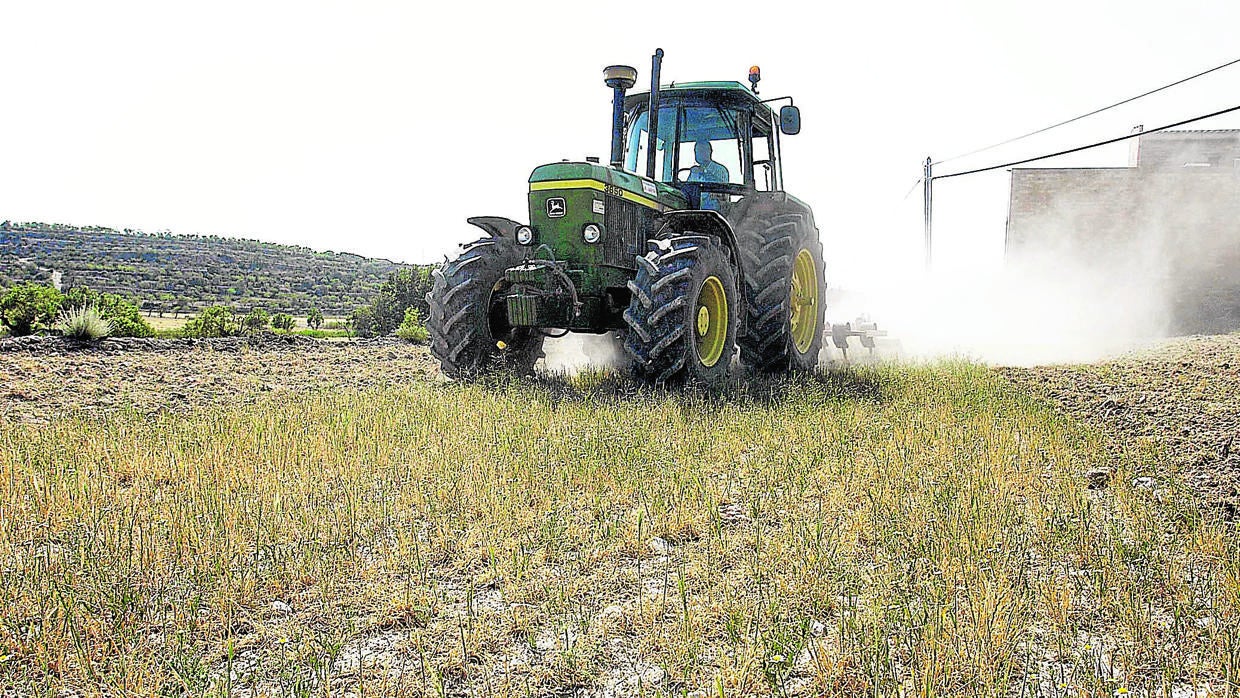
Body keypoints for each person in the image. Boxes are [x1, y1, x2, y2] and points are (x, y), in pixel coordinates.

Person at [686, 141, 729, 210]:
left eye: (702, 151)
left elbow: (722, 194)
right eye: (697, 151)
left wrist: (704, 173)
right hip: (693, 210)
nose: (699, 154)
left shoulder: (720, 170)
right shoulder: (694, 172)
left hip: (713, 213)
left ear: (710, 152)